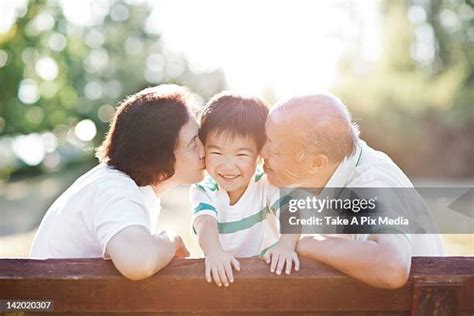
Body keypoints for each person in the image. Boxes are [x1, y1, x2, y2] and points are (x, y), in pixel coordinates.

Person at [261, 92, 444, 289]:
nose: (262, 152)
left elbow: (392, 266)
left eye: (276, 150)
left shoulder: (371, 184)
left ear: (316, 162)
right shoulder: (334, 165)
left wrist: (306, 243)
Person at [30, 84, 206, 280]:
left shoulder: (116, 183)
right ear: (158, 154)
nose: (204, 150)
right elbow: (138, 262)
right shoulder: (114, 189)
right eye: (193, 143)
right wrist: (172, 239)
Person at [190, 92, 300, 288]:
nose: (228, 166)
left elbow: (290, 211)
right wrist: (214, 253)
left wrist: (286, 245)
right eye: (216, 152)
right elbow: (205, 223)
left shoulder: (265, 183)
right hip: (223, 275)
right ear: (203, 149)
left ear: (259, 156)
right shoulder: (203, 190)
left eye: (241, 154)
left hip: (266, 275)